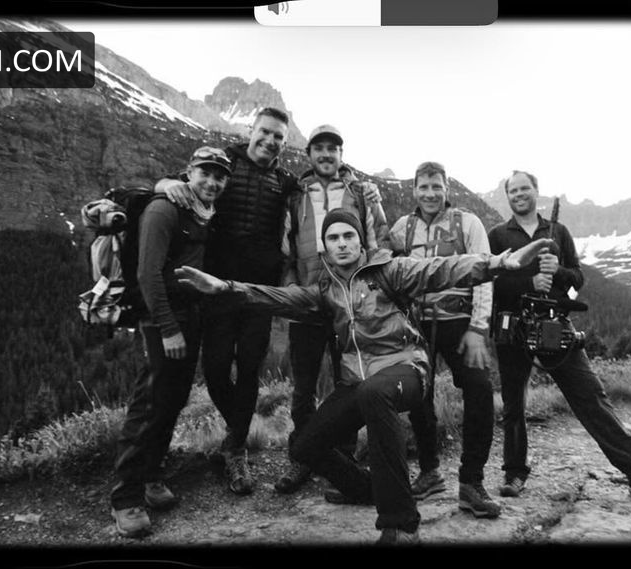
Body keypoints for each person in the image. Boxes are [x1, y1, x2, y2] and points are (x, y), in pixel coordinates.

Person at [174, 211, 557, 544]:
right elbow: (280, 298)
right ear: (325, 248)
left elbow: (441, 268)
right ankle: (367, 489)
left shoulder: (389, 271)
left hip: (406, 369)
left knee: (376, 393)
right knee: (304, 446)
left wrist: (499, 263)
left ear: (360, 241)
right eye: (333, 238)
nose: (342, 243)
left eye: (348, 236)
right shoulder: (325, 291)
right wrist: (226, 288)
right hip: (357, 382)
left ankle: (401, 525)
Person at [487, 170, 631, 505]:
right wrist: (528, 283)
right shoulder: (497, 235)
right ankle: (514, 473)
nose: (519, 194)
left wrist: (559, 271)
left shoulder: (559, 232)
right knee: (513, 406)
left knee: (591, 398)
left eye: (524, 188)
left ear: (536, 190)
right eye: (513, 190)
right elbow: (490, 280)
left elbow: (578, 277)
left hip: (555, 327)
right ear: (507, 196)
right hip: (514, 330)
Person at [155, 107, 300, 496]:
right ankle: (239, 435)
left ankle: (235, 449)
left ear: (285, 142)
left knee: (249, 369)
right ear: (252, 130)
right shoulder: (224, 164)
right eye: (265, 132)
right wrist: (163, 185)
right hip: (215, 288)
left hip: (258, 294)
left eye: (278, 137)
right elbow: (180, 180)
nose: (270, 140)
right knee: (216, 369)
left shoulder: (285, 181)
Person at [110, 147, 233, 538]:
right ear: (189, 172)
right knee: (149, 403)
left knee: (173, 399)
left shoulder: (204, 212)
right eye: (205, 173)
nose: (212, 181)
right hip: (162, 318)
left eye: (219, 176)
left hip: (190, 315)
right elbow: (148, 275)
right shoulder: (164, 209)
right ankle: (125, 498)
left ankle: (151, 475)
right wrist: (167, 328)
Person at [274, 124, 389, 494]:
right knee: (303, 387)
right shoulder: (295, 194)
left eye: (332, 149)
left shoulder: (359, 192)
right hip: (308, 303)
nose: (326, 154)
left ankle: (345, 459)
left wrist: (370, 290)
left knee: (350, 384)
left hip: (349, 303)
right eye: (319, 148)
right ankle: (303, 457)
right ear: (309, 154)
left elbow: (378, 241)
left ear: (341, 154)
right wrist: (291, 287)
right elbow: (286, 248)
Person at [388, 161, 500, 518]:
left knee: (479, 390)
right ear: (414, 190)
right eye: (423, 187)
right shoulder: (402, 228)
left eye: (436, 186)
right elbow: (387, 269)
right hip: (416, 325)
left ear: (446, 189)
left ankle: (471, 482)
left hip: (460, 323)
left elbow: (485, 273)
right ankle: (430, 472)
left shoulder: (468, 223)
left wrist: (478, 329)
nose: (430, 193)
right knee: (418, 397)